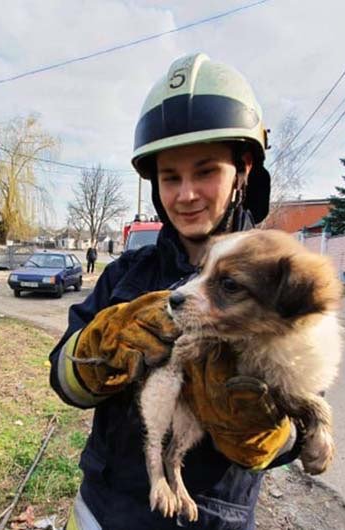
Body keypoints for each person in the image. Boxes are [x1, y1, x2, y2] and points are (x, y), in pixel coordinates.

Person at [49, 53, 302, 530]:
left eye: (205, 171)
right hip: (105, 510)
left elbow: (301, 430)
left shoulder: (275, 282)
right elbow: (64, 380)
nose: (186, 194)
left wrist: (263, 431)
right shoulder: (126, 276)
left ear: (243, 168)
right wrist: (99, 349)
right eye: (170, 177)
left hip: (212, 519)